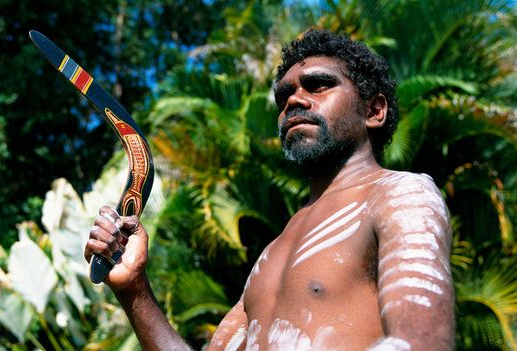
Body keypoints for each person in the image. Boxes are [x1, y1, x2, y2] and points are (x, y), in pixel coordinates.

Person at [84, 28, 454, 351]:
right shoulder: (275, 251)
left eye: (319, 84)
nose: (294, 99)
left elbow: (419, 344)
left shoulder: (401, 195)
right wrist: (134, 290)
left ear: (374, 111)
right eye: (284, 94)